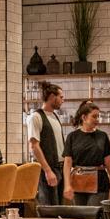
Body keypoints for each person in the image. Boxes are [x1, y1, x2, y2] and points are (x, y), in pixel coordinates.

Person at [62, 100, 110, 205]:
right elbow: (67, 163)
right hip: (78, 182)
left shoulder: (103, 136)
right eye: (94, 116)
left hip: (100, 184)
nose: (97, 119)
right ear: (84, 117)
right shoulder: (72, 136)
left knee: (94, 213)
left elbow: (108, 162)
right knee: (79, 215)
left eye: (98, 116)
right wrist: (67, 185)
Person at [26, 81, 65, 209]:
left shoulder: (54, 116)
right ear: (52, 97)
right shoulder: (36, 117)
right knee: (48, 210)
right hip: (47, 170)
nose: (63, 100)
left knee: (59, 209)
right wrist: (48, 170)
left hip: (60, 168)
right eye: (61, 97)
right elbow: (34, 146)